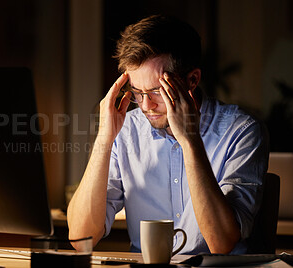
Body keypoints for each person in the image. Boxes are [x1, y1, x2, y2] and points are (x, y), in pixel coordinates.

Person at [67, 15, 269, 254]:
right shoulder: (126, 129)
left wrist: (190, 140)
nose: (145, 106)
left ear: (192, 80)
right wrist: (105, 138)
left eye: (155, 91)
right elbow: (81, 239)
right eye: (136, 92)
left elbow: (221, 243)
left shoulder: (242, 131)